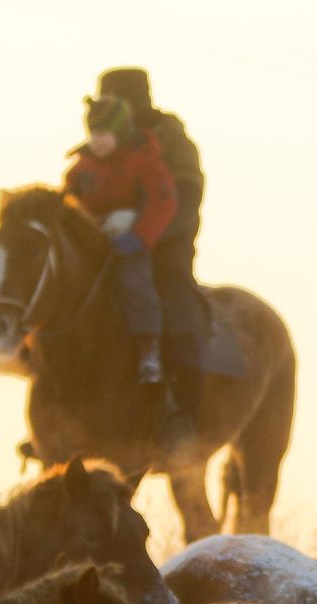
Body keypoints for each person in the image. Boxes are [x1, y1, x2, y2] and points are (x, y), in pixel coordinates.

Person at [97, 68, 205, 444]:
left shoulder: (172, 141)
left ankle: (180, 414)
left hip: (165, 248)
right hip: (107, 250)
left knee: (174, 309)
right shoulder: (107, 140)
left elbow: (185, 199)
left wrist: (143, 237)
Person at [64, 95, 178, 386]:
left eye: (104, 135)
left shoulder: (143, 161)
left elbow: (162, 202)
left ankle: (147, 349)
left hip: (128, 242)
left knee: (133, 283)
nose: (98, 142)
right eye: (94, 135)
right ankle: (36, 349)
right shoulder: (82, 168)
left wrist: (139, 237)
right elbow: (68, 200)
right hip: (92, 240)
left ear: (121, 133)